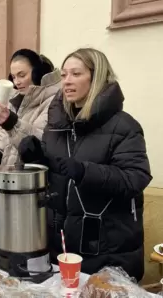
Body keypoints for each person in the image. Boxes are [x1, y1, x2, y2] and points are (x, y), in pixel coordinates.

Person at [18, 48, 152, 281]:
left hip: (106, 250)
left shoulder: (123, 126)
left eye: (76, 74)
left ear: (96, 77)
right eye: (64, 75)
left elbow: (135, 178)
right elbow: (57, 172)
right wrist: (38, 160)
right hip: (61, 246)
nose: (67, 81)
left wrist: (84, 171)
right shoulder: (56, 126)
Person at [0, 49, 60, 168]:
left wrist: (12, 123)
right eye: (13, 77)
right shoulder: (16, 98)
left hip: (34, 179)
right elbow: (4, 135)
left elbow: (40, 142)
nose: (17, 82)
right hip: (12, 178)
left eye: (22, 75)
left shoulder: (54, 101)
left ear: (37, 74)